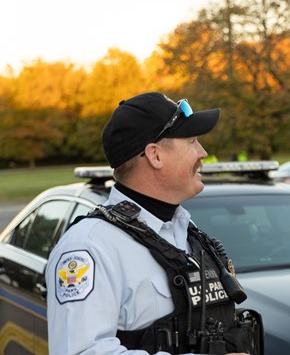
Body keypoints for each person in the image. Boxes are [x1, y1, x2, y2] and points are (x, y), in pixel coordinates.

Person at [45, 92, 261, 355]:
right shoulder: (90, 247)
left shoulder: (185, 233)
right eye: (192, 141)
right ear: (155, 155)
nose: (203, 153)